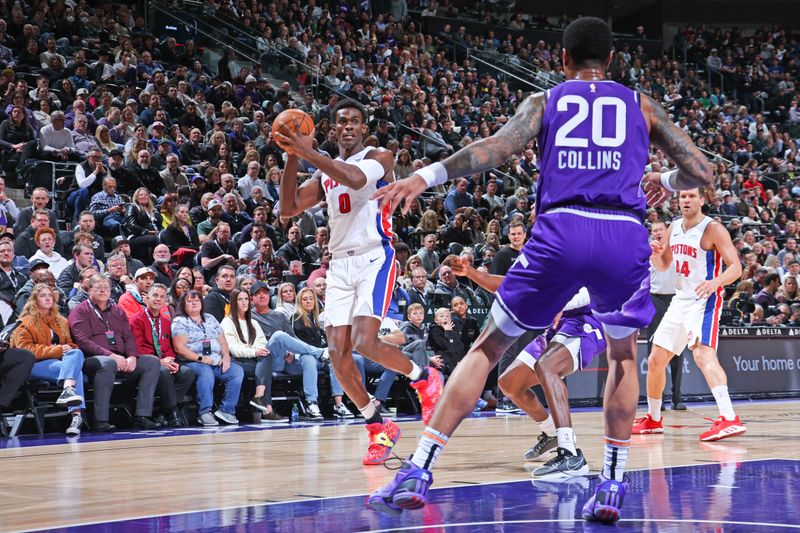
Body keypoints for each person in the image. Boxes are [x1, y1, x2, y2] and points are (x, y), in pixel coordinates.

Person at [369, 17, 713, 523]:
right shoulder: (640, 104)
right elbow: (702, 172)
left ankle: (420, 467)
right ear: (612, 60)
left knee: (488, 347)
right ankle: (612, 483)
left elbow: (496, 149)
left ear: (564, 61)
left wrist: (426, 175)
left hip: (562, 227)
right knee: (622, 355)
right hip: (622, 234)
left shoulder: (545, 101)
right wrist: (662, 175)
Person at [277, 98, 443, 466]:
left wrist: (309, 151)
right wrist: (292, 155)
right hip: (339, 266)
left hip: (374, 256)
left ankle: (423, 377)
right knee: (337, 354)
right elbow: (287, 208)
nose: (348, 126)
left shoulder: (379, 156)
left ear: (363, 129)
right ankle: (377, 426)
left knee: (366, 341)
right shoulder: (323, 172)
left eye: (354, 121)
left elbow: (352, 178)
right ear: (334, 129)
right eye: (341, 122)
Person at [633, 188, 745, 442]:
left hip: (704, 299)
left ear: (702, 200)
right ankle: (653, 419)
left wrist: (715, 282)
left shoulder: (712, 228)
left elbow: (736, 268)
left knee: (702, 354)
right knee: (655, 360)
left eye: (691, 196)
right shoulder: (673, 227)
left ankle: (729, 418)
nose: (686, 200)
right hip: (680, 298)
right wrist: (656, 254)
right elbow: (665, 266)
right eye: (683, 196)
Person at [68, 274, 162, 431]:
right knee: (108, 363)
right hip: (93, 360)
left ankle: (142, 416)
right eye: (98, 288)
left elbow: (129, 336)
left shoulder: (117, 310)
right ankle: (100, 420)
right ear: (89, 290)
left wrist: (132, 356)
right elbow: (83, 341)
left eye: (106, 287)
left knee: (152, 362)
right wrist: (110, 355)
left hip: (121, 358)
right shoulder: (80, 311)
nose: (103, 291)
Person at [11, 283, 86, 436]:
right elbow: (25, 351)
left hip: (60, 364)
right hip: (33, 366)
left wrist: (69, 348)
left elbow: (69, 343)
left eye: (50, 295)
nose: (47, 298)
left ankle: (68, 391)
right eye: (42, 295)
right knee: (73, 372)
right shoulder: (25, 322)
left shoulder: (61, 321)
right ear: (34, 300)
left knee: (76, 354)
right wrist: (57, 350)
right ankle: (76, 416)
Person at [171, 290, 244, 426]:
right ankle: (204, 412)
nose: (194, 303)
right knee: (205, 371)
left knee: (236, 371)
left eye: (197, 300)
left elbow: (222, 342)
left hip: (215, 360)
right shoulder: (180, 321)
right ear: (183, 304)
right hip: (192, 361)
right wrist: (200, 358)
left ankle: (226, 410)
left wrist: (226, 356)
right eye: (190, 301)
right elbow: (179, 348)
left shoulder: (210, 318)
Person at [130, 283, 195, 427]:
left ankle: (163, 410)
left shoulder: (166, 321)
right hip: (145, 363)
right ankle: (172, 412)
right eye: (155, 295)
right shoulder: (136, 319)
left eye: (162, 297)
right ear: (146, 298)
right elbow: (136, 348)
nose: (158, 299)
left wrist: (171, 360)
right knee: (164, 372)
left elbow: (169, 347)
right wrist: (160, 361)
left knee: (187, 373)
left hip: (165, 361)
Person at [221, 287, 284, 421]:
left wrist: (259, 350)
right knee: (265, 362)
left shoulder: (253, 322)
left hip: (254, 359)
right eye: (240, 299)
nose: (244, 303)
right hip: (237, 361)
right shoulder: (227, 322)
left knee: (266, 355)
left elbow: (261, 342)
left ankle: (260, 397)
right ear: (233, 302)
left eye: (246, 299)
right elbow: (232, 348)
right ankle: (266, 408)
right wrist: (254, 351)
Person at [647, 220, 684, 410]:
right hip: (655, 299)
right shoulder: (648, 250)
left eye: (660, 229)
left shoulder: (677, 248)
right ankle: (657, 399)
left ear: (667, 231)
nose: (658, 233)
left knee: (677, 350)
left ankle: (677, 397)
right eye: (654, 231)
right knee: (654, 349)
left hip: (676, 299)